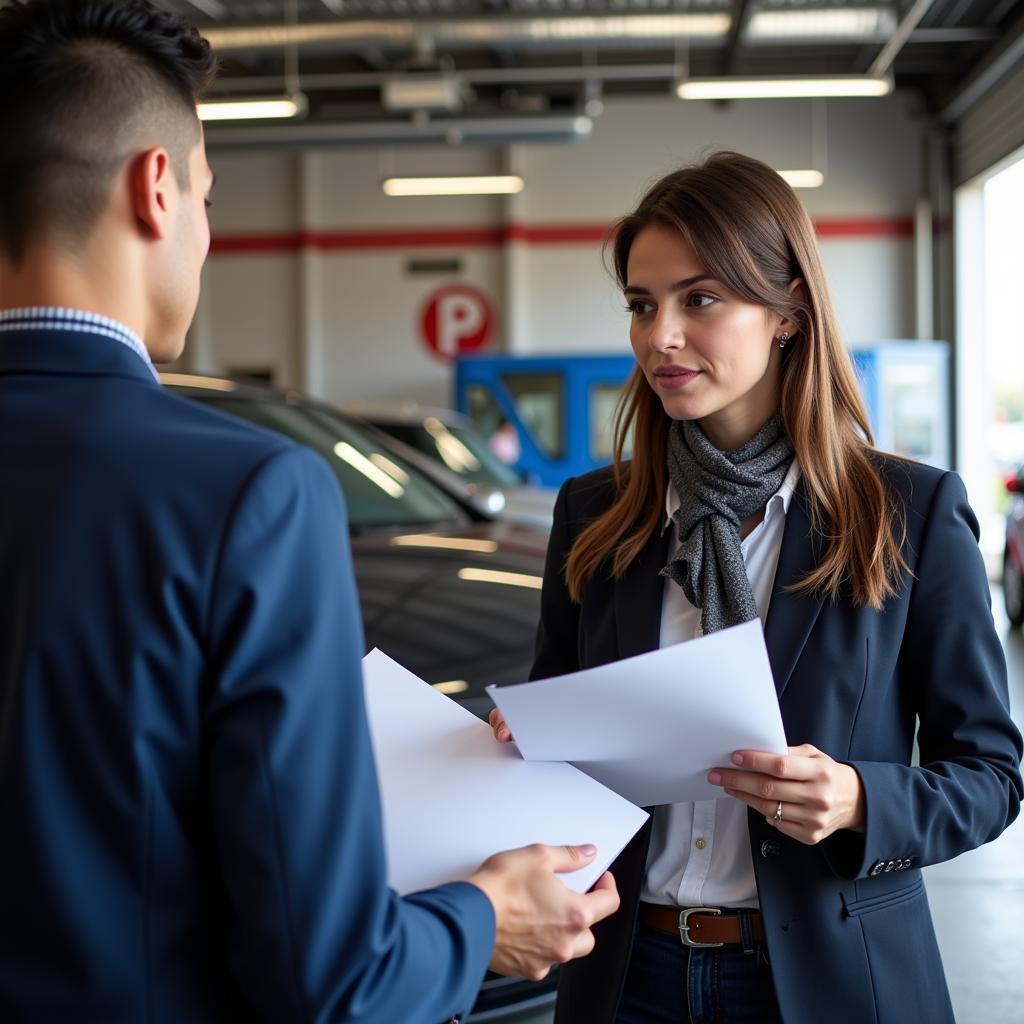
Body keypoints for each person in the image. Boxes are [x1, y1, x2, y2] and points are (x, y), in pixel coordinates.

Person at [0, 2, 618, 1021]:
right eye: (205, 193)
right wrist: (481, 917)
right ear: (157, 189)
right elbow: (330, 978)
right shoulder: (245, 491)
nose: (205, 232)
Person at [489, 151, 1023, 1024]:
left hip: (825, 980)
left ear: (787, 314)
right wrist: (524, 741)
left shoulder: (909, 512)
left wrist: (860, 800)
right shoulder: (597, 512)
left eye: (699, 300)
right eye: (641, 304)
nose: (660, 335)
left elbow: (992, 777)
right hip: (629, 977)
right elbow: (562, 741)